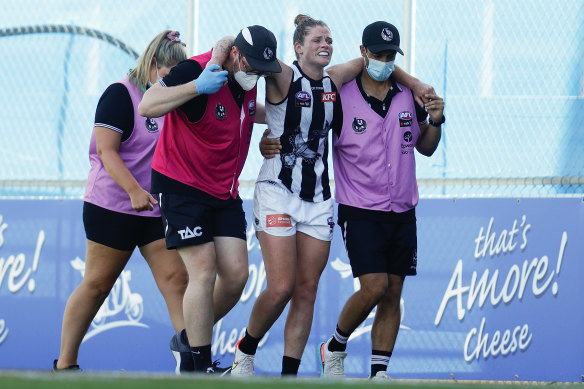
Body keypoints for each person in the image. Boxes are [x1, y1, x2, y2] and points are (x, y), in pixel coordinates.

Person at [231, 15, 434, 377]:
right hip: (278, 190)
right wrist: (220, 60)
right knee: (281, 287)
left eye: (329, 39)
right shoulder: (282, 74)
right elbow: (246, 55)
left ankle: (289, 377)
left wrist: (415, 83)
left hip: (320, 199)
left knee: (306, 290)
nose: (325, 44)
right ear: (297, 47)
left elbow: (378, 62)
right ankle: (245, 351)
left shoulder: (334, 80)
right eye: (317, 40)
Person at [138, 25, 282, 374]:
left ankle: (188, 339)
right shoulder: (199, 69)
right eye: (251, 68)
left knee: (235, 277)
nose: (256, 77)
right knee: (202, 272)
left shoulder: (248, 80)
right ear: (235, 54)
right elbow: (147, 105)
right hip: (182, 185)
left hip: (224, 191)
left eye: (263, 72)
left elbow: (248, 113)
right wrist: (196, 87)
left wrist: (276, 125)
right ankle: (198, 367)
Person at [53, 30, 189, 371]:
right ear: (154, 63)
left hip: (153, 208)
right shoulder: (120, 94)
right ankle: (65, 366)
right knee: (98, 285)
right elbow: (105, 151)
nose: (175, 79)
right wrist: (133, 192)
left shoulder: (171, 98)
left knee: (177, 279)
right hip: (111, 206)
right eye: (170, 71)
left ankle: (194, 359)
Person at [318, 21, 444, 380]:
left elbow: (426, 147)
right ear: (363, 54)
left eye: (392, 56)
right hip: (360, 209)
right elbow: (328, 77)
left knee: (393, 292)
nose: (386, 62)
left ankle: (379, 372)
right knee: (374, 287)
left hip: (403, 209)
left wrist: (436, 120)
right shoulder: (341, 95)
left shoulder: (409, 95)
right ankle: (336, 346)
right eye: (379, 55)